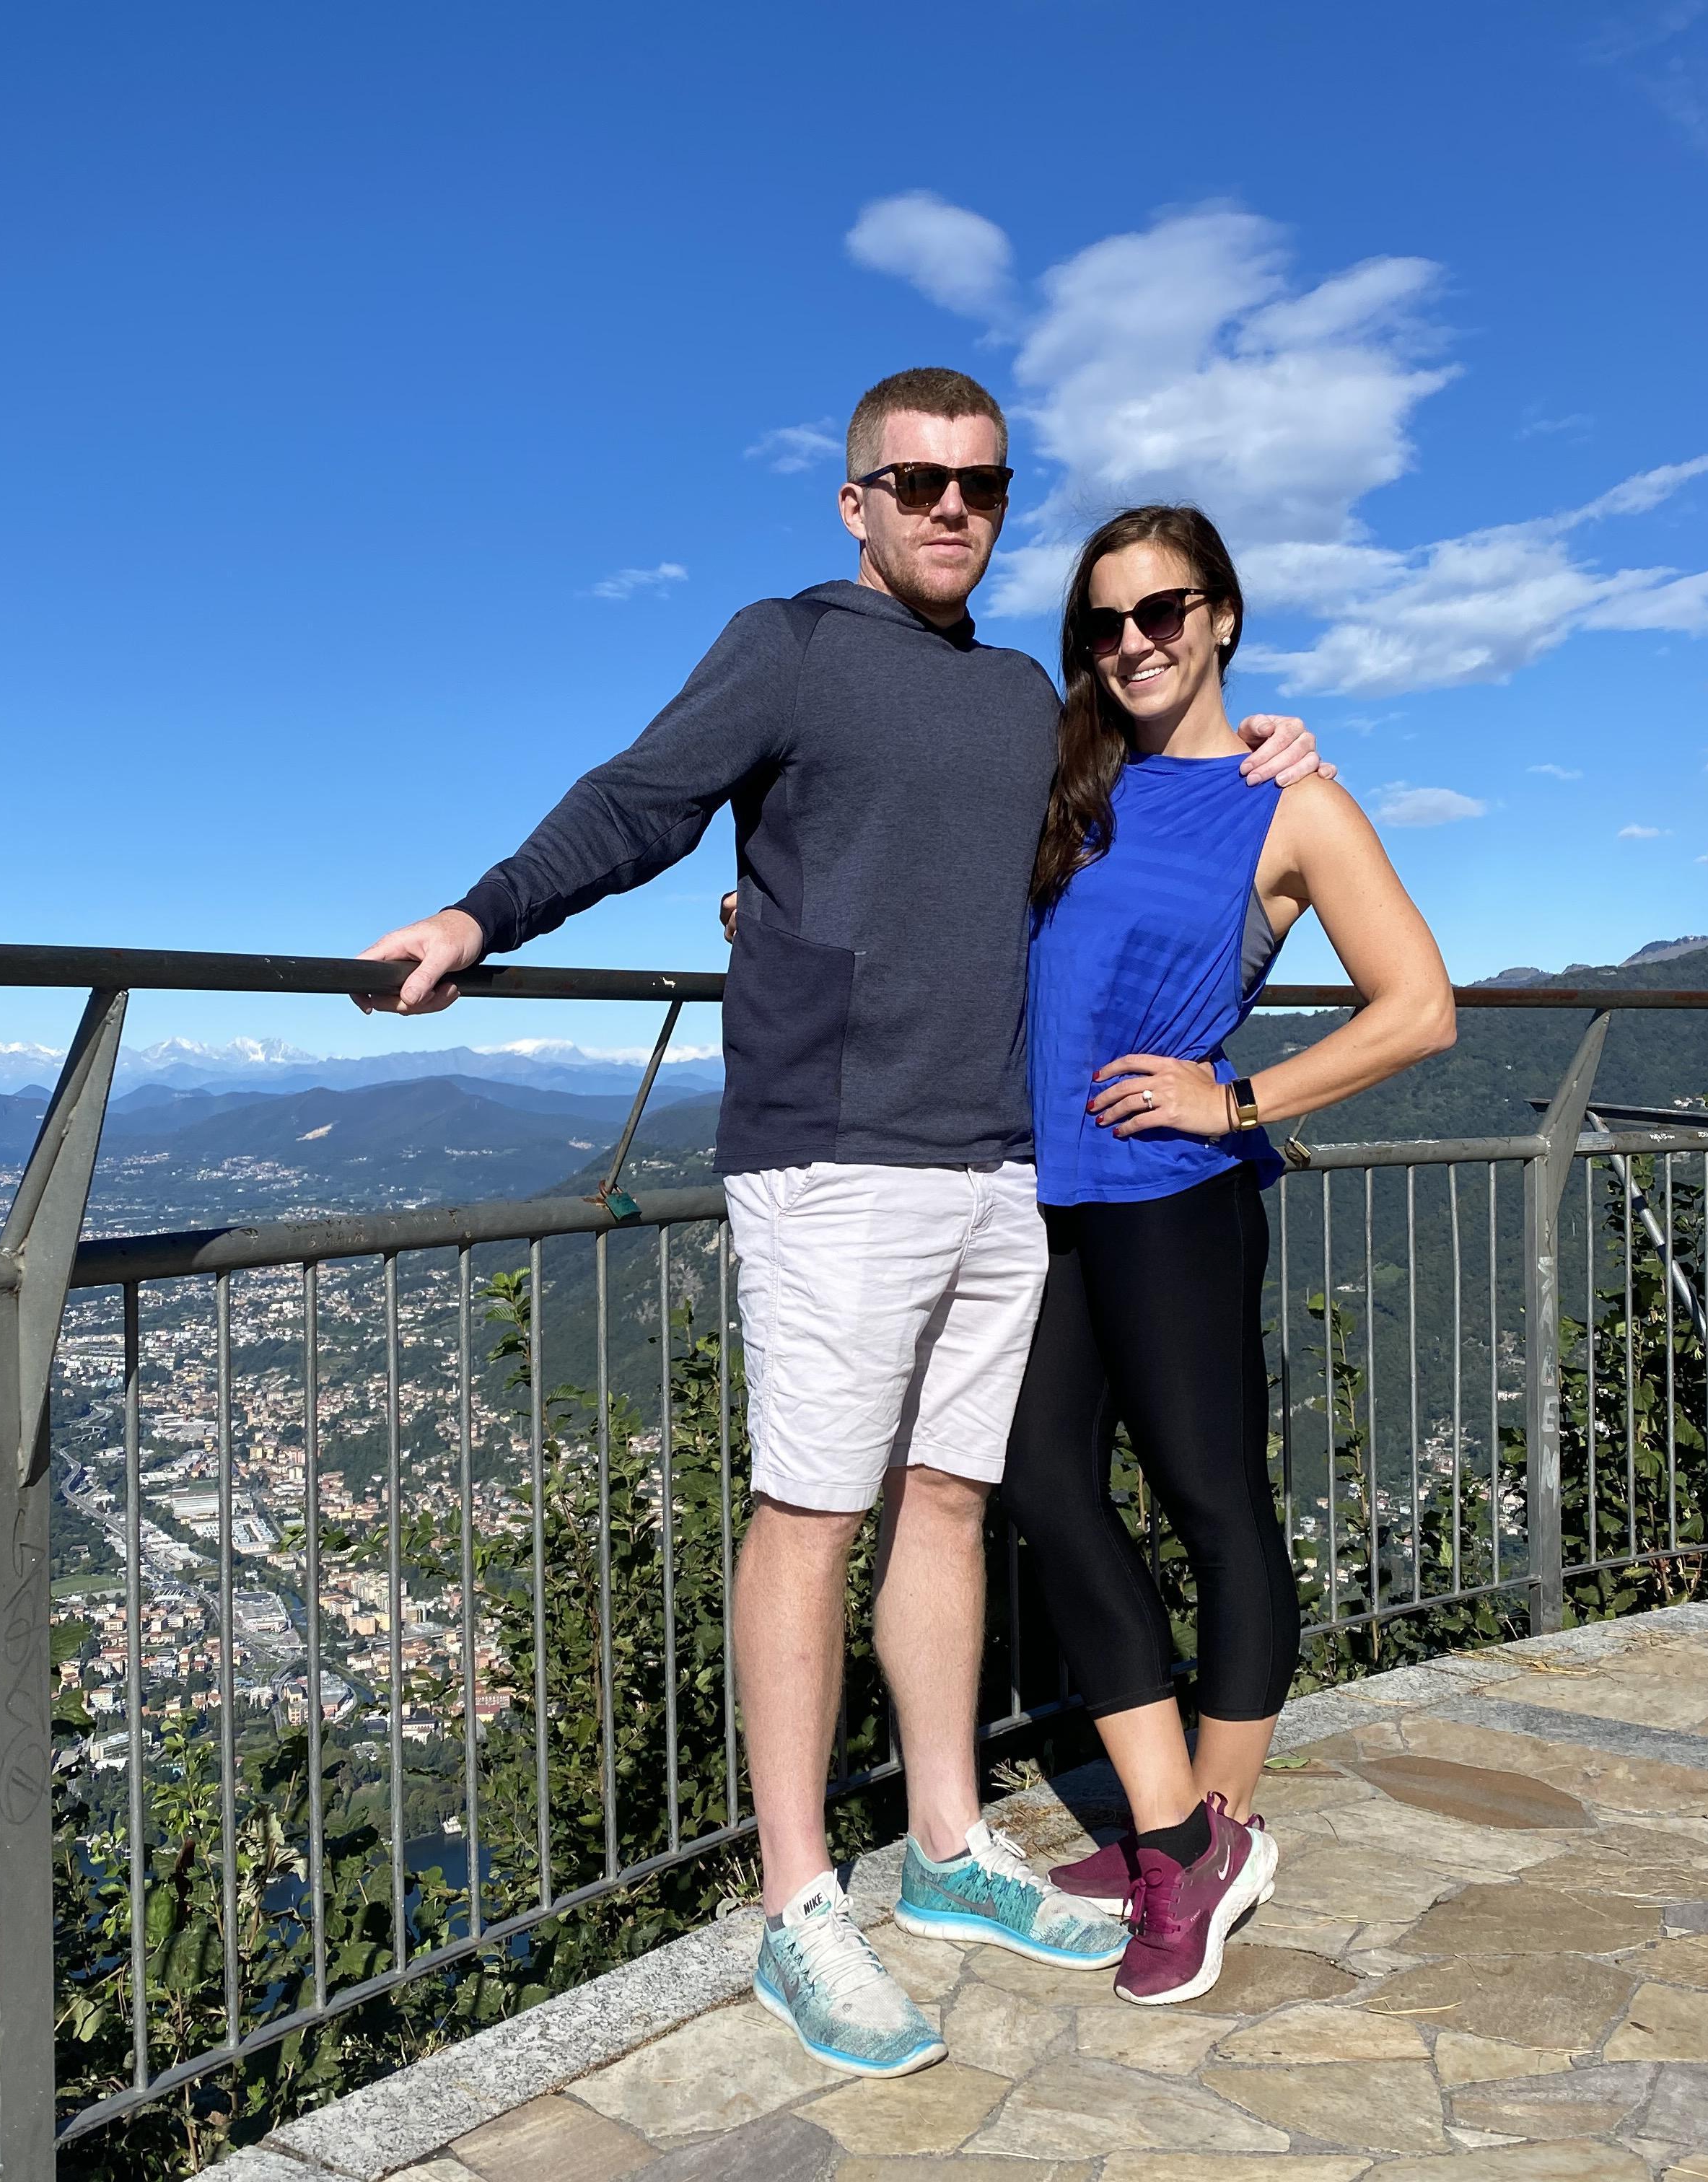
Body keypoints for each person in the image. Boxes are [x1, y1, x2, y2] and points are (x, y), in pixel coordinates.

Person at [354, 374, 1326, 2077]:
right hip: (832, 1156)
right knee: (809, 1513)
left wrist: (1268, 750)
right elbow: (643, 797)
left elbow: (1121, 821)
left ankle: (946, 1850)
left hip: (998, 1159)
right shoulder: (788, 645)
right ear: (854, 500)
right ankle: (798, 1904)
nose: (954, 510)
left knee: (948, 1498)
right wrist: (479, 912)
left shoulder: (1031, 693)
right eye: (918, 482)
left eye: (983, 487)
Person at [1000, 504, 1455, 2008]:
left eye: (1166, 612)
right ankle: (1167, 1829)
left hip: (1180, 1198)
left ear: (1224, 618)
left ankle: (1215, 1836)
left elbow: (1418, 1011)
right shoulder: (1074, 783)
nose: (1136, 642)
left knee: (1211, 1508)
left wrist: (1237, 1094)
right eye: (1109, 623)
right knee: (1046, 1487)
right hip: (1053, 1195)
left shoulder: (1293, 802)